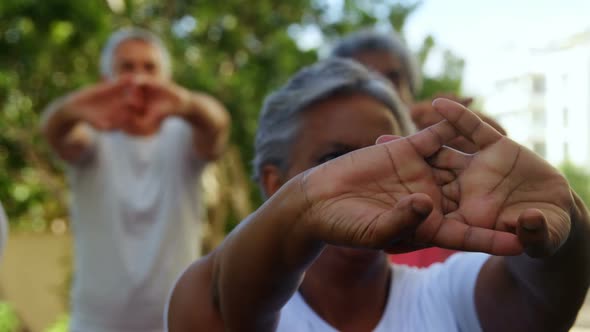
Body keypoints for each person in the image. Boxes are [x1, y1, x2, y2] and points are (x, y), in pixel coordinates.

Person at [166, 58, 590, 331]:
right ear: (275, 182)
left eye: (387, 154)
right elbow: (221, 301)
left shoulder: (448, 293)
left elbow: (543, 297)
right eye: (336, 158)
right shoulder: (232, 298)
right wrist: (304, 207)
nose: (370, 176)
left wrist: (570, 220)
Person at [41, 27, 230, 331]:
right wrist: (73, 108)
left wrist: (186, 104)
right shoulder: (91, 140)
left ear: (167, 80)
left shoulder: (184, 140)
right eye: (126, 67)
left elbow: (218, 124)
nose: (139, 78)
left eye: (149, 67)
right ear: (107, 80)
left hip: (175, 322)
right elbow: (54, 132)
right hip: (96, 325)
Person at [331, 30, 507, 266]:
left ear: (410, 90)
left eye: (393, 78)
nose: (383, 89)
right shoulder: (327, 166)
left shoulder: (446, 142)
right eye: (365, 78)